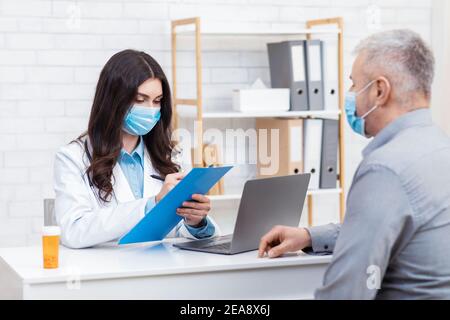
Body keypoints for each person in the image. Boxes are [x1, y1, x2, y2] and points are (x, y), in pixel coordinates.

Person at [259, 29, 450, 299]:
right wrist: (309, 236)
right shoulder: (440, 147)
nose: (349, 94)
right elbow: (398, 228)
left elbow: (345, 292)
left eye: (354, 84)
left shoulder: (385, 169)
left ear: (380, 91)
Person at [54, 50, 220, 249]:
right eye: (140, 100)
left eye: (157, 101)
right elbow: (74, 231)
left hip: (163, 268)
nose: (150, 109)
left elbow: (175, 232)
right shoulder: (73, 157)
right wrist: (153, 205)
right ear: (113, 100)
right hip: (106, 273)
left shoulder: (171, 155)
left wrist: (195, 222)